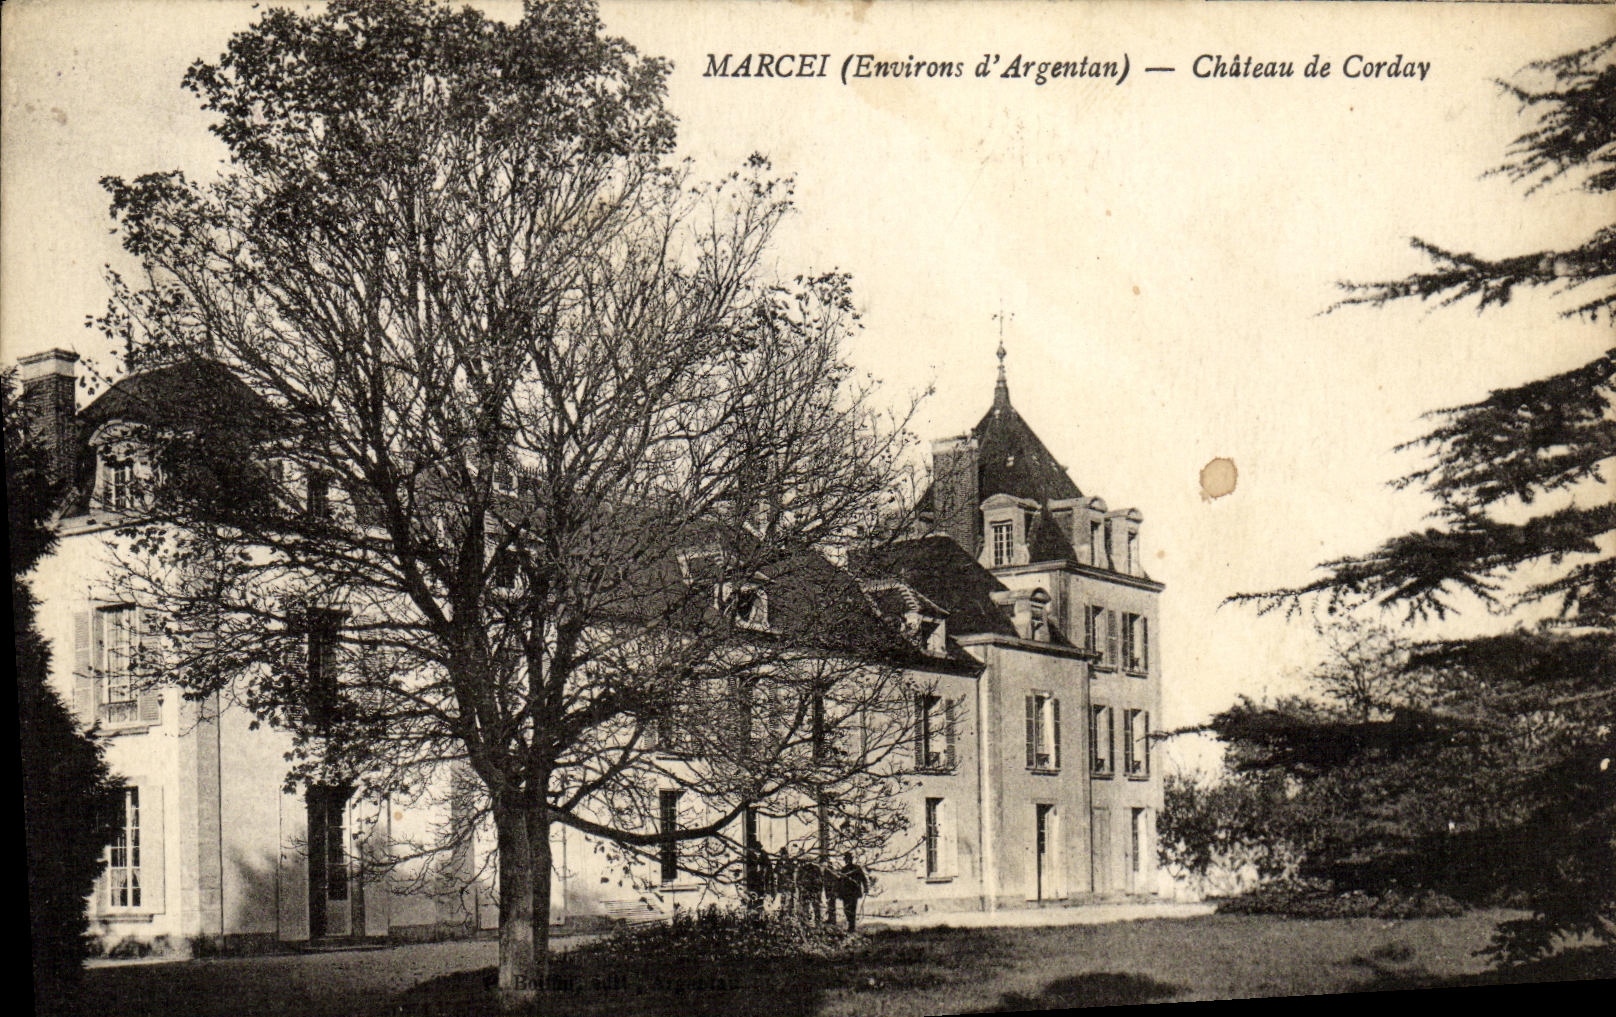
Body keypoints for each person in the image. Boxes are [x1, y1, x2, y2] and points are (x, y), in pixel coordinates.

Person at [835, 852, 869, 931]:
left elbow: (863, 879)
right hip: (845, 893)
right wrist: (838, 892)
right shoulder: (843, 869)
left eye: (848, 859)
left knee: (852, 909)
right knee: (846, 910)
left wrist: (866, 888)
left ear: (851, 859)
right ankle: (850, 924)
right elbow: (839, 882)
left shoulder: (857, 868)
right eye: (846, 859)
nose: (847, 861)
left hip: (854, 892)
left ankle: (851, 927)